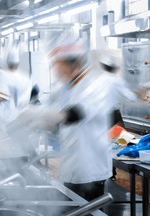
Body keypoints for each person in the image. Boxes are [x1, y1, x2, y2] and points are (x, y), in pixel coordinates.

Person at [48, 40, 113, 201]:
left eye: (58, 65)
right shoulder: (68, 87)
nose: (55, 70)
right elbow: (60, 121)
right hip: (72, 165)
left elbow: (75, 113)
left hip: (89, 168)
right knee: (74, 215)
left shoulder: (94, 85)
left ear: (72, 64)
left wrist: (37, 116)